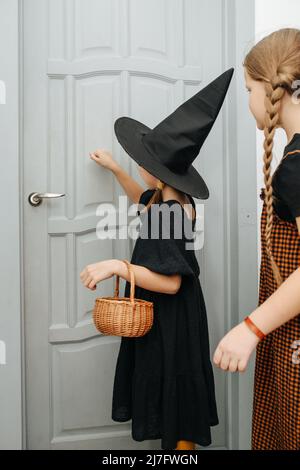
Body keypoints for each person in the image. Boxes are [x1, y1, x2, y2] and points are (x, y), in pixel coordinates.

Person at [80, 69, 234, 450]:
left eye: (140, 161)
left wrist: (118, 267)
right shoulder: (173, 201)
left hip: (169, 317)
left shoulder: (170, 212)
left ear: (158, 172)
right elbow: (142, 201)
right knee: (178, 397)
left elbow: (170, 281)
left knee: (175, 401)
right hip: (180, 315)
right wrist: (116, 170)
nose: (138, 165)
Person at [213, 28, 300, 450]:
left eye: (249, 89)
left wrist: (249, 329)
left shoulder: (295, 167)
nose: (248, 100)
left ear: (273, 89)